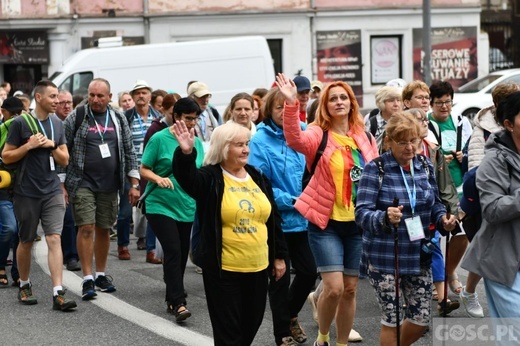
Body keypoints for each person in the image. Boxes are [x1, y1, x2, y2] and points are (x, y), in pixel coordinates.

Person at [278, 72, 379, 346]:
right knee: (333, 288)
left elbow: (375, 175)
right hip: (326, 223)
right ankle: (322, 337)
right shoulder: (317, 134)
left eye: (343, 97)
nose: (338, 102)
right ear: (325, 105)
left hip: (357, 223)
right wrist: (291, 105)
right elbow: (294, 140)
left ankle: (342, 343)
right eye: (332, 98)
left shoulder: (365, 136)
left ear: (351, 103)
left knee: (349, 289)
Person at [171, 121, 288, 346]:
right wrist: (186, 153)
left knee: (250, 325)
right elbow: (188, 180)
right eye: (239, 145)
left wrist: (279, 255)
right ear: (224, 148)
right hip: (224, 270)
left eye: (247, 144)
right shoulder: (210, 177)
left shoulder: (257, 176)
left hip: (258, 266)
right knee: (228, 332)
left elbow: (272, 219)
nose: (246, 149)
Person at [355, 111, 457, 346]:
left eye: (414, 140)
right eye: (403, 142)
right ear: (389, 141)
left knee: (422, 320)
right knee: (392, 319)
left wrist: (443, 220)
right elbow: (361, 214)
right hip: (384, 256)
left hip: (418, 253)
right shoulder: (376, 169)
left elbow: (435, 204)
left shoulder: (423, 165)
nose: (410, 147)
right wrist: (384, 216)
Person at [249, 87, 317, 346]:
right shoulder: (260, 140)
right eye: (278, 107)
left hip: (303, 219)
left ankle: (289, 315)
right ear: (268, 109)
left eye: (287, 106)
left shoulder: (303, 132)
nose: (282, 111)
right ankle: (282, 334)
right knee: (279, 278)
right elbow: (259, 184)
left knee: (309, 272)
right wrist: (292, 201)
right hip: (275, 220)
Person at [60, 78, 139, 300]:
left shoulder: (118, 118)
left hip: (110, 183)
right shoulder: (77, 116)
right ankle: (87, 278)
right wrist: (62, 183)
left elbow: (129, 149)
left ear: (109, 97)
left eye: (100, 96)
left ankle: (101, 274)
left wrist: (134, 183)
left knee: (104, 228)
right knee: (86, 226)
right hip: (82, 181)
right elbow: (62, 149)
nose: (95, 99)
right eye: (91, 95)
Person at [2, 80, 77, 311]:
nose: (57, 101)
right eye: (53, 97)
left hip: (52, 189)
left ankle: (58, 292)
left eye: (58, 97)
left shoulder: (57, 123)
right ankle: (24, 285)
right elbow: (6, 157)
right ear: (39, 98)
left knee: (54, 238)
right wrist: (29, 146)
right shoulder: (20, 123)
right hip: (26, 191)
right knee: (25, 241)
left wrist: (52, 145)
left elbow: (65, 159)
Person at [460, 82, 520, 319]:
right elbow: (493, 208)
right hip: (505, 262)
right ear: (508, 124)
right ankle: (469, 291)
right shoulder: (494, 159)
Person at [140, 97, 203, 321]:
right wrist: (158, 178)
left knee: (181, 252)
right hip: (160, 203)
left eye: (195, 119)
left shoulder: (197, 142)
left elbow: (197, 174)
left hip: (186, 205)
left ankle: (172, 294)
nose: (191, 124)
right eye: (187, 119)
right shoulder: (159, 138)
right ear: (176, 117)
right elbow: (143, 169)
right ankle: (178, 303)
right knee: (174, 250)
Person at [408, 108, 460, 316]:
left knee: (434, 250)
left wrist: (450, 210)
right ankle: (409, 297)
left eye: (425, 120)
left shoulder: (432, 149)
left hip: (431, 214)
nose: (425, 123)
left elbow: (444, 183)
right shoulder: (397, 150)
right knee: (412, 254)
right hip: (408, 216)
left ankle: (442, 298)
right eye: (420, 120)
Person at [428, 80, 472, 296]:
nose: (445, 107)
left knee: (461, 232)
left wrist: (464, 155)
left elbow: (472, 148)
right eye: (439, 103)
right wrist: (437, 157)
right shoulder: (425, 124)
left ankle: (450, 271)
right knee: (434, 235)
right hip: (436, 187)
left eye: (448, 102)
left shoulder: (461, 122)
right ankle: (437, 281)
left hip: (460, 184)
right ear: (431, 103)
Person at [117, 80, 161, 260]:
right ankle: (122, 245)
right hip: (131, 170)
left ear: (150, 96)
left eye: (144, 92)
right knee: (126, 211)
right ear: (133, 97)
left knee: (152, 210)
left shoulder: (157, 116)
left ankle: (151, 249)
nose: (141, 96)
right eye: (137, 93)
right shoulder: (126, 117)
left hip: (151, 170)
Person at [141, 92, 182, 264]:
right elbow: (146, 163)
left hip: (177, 190)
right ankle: (151, 248)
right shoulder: (155, 131)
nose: (176, 117)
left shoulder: (186, 132)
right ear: (163, 110)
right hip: (156, 183)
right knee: (156, 216)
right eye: (172, 112)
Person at [54, 90, 81, 272]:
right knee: (68, 218)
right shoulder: (53, 125)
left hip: (79, 178)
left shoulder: (78, 122)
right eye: (62, 102)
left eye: (69, 102)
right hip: (56, 178)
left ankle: (75, 251)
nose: (66, 106)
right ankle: (71, 255)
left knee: (81, 219)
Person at [0, 97, 23, 288]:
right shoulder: (2, 130)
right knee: (9, 228)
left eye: (18, 114)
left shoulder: (25, 127)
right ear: (3, 111)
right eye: (11, 113)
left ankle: (17, 271)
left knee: (20, 232)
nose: (14, 117)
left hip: (22, 188)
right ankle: (0, 267)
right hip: (2, 189)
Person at [366, 86, 403, 152]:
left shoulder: (405, 121)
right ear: (381, 102)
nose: (396, 104)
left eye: (399, 100)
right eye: (391, 101)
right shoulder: (372, 123)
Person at [188, 81, 221, 150]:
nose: (205, 100)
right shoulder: (185, 117)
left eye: (207, 96)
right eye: (202, 96)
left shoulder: (213, 112)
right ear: (191, 97)